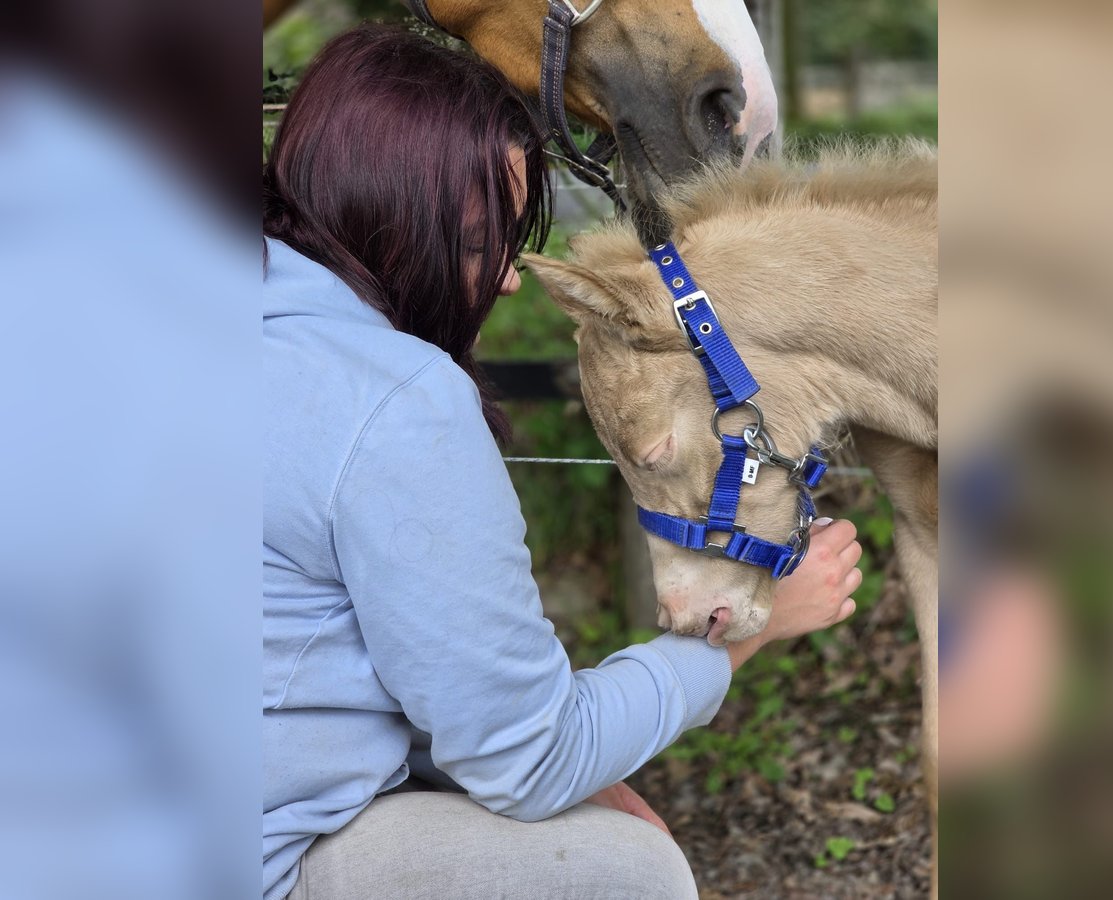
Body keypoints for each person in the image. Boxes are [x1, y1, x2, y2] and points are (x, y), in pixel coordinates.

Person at [262, 24, 862, 900]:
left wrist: (581, 771)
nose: (508, 281)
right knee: (627, 870)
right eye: (479, 243)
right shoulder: (394, 402)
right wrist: (748, 638)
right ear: (384, 214)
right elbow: (532, 760)